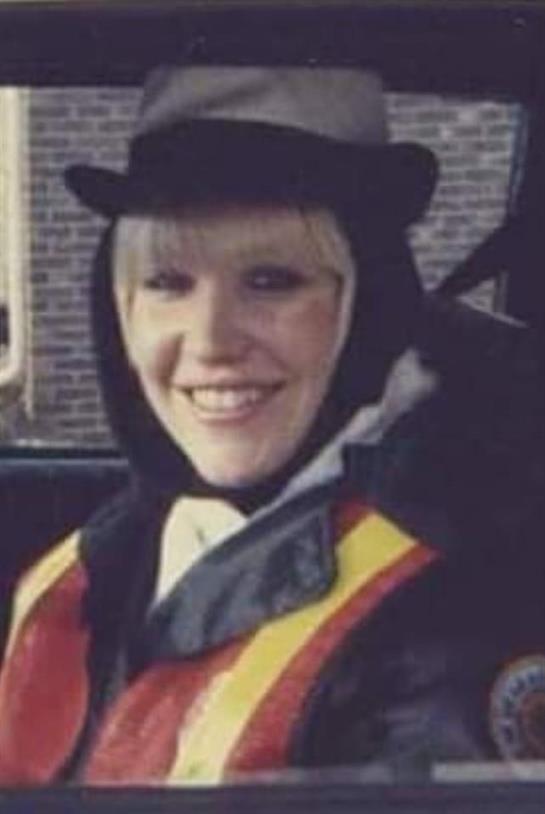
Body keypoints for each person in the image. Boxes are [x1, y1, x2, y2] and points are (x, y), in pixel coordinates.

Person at [0, 67, 543, 786]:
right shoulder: (115, 549)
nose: (210, 340)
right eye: (167, 283)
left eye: (271, 281)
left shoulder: (446, 611)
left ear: (367, 306)